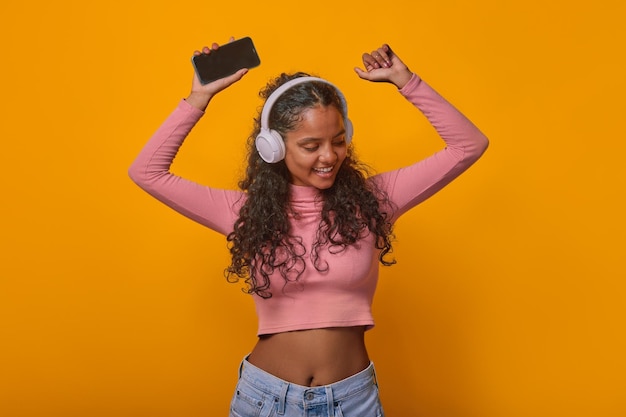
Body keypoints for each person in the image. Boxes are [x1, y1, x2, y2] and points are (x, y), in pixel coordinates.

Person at [129, 38, 488, 417]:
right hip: (264, 398)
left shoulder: (374, 200)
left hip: (353, 401)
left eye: (338, 141)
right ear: (274, 148)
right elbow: (146, 172)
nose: (329, 156)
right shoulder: (243, 212)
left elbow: (469, 145)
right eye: (311, 145)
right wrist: (197, 98)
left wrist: (407, 81)